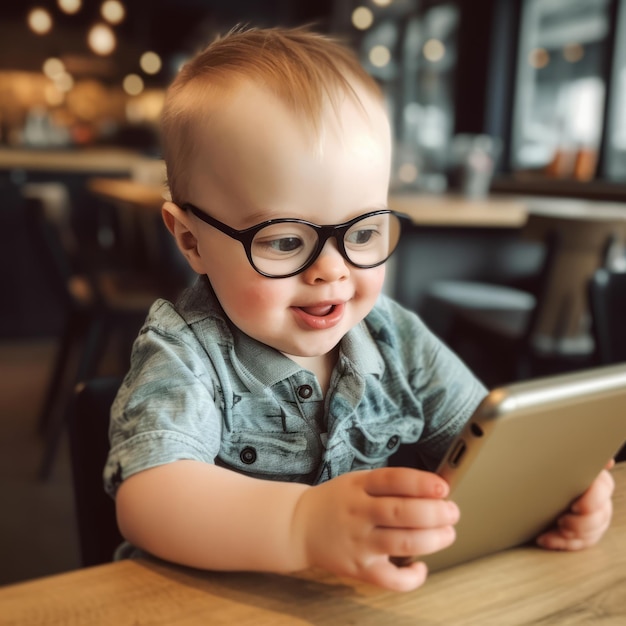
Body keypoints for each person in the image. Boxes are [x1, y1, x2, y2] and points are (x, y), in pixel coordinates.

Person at [104, 26, 615, 592]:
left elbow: (484, 451)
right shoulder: (186, 353)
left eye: (364, 231)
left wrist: (552, 492)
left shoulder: (396, 337)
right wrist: (298, 524)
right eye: (285, 241)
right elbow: (148, 496)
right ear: (191, 239)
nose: (332, 269)